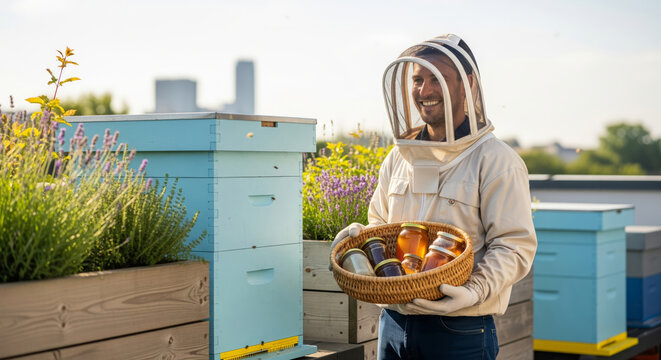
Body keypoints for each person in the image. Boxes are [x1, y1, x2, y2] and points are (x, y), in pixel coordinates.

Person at [330, 34, 537, 359]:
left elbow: (515, 246)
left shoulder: (496, 160)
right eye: (418, 80)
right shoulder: (398, 158)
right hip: (394, 323)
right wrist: (362, 241)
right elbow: (380, 224)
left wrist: (472, 291)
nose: (424, 91)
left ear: (467, 84)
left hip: (459, 331)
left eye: (435, 79)